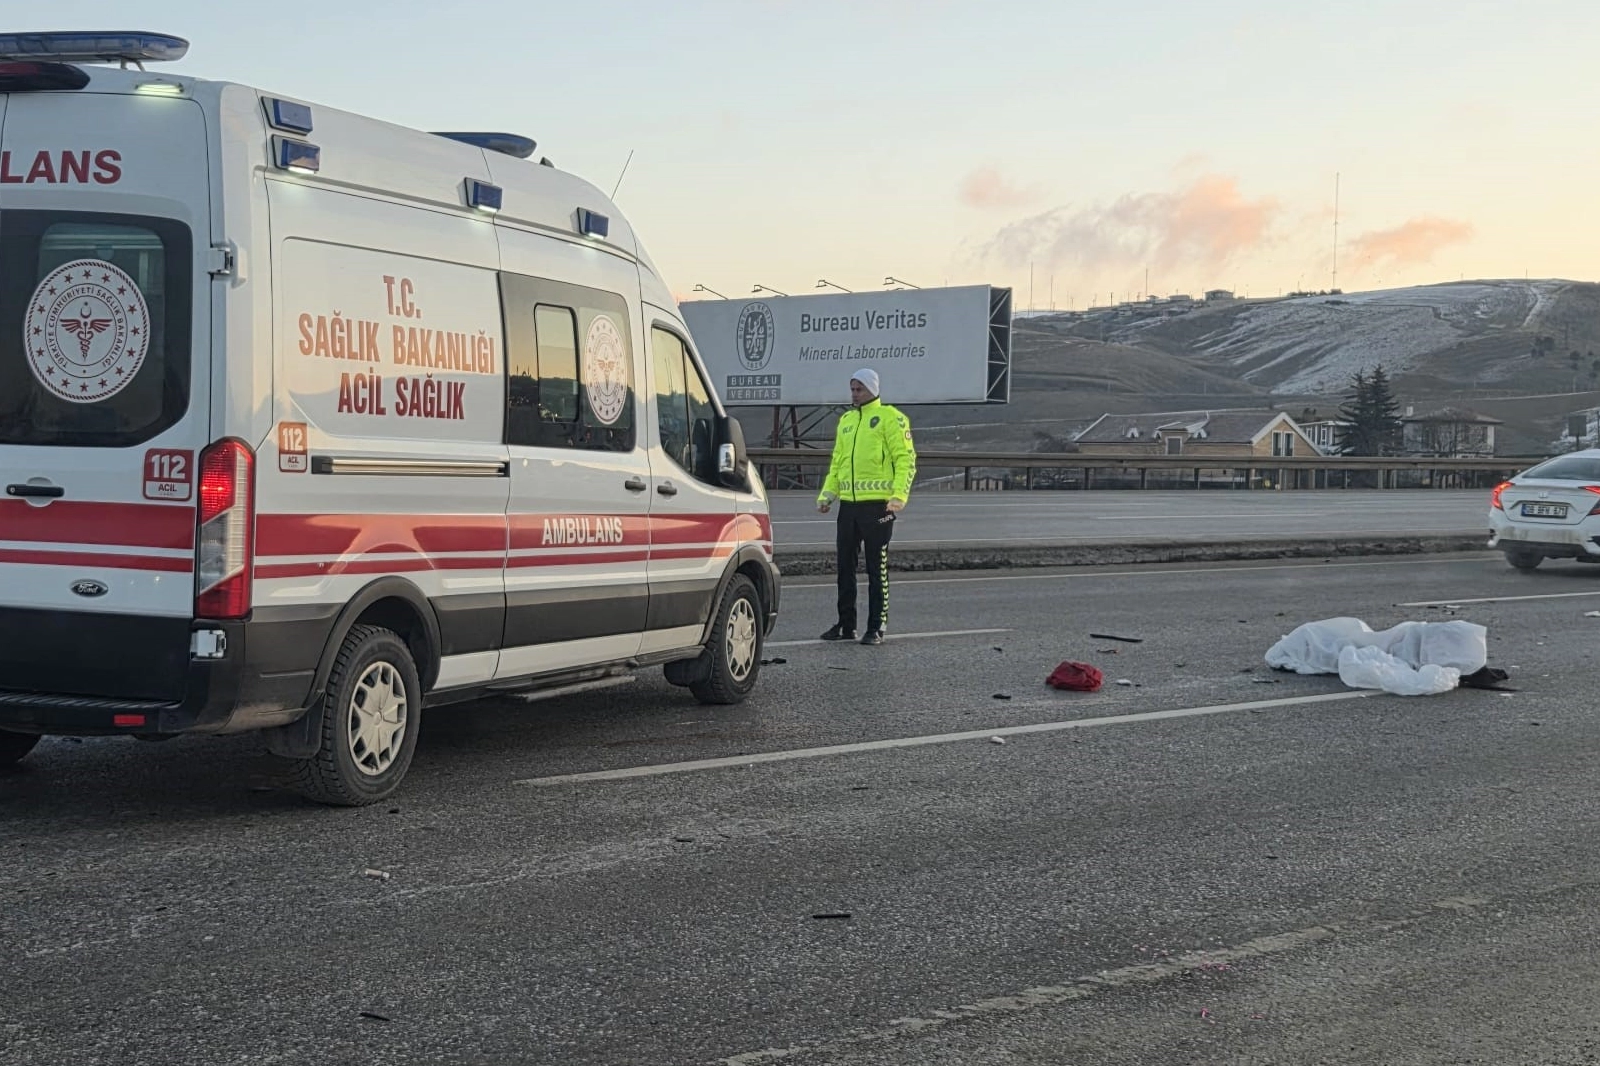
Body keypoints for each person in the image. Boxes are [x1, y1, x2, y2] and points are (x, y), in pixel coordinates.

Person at [816, 368, 917, 646]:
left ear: (872, 389)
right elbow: (838, 463)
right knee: (844, 568)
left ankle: (876, 626)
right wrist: (827, 495)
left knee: (876, 567)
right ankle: (846, 624)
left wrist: (898, 496)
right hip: (849, 507)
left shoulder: (891, 418)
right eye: (852, 389)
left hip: (878, 507)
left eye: (859, 389)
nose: (854, 394)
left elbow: (905, 459)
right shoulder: (847, 421)